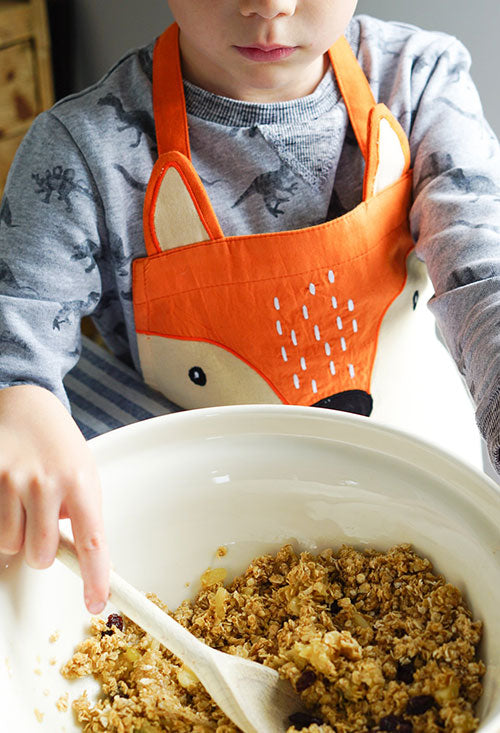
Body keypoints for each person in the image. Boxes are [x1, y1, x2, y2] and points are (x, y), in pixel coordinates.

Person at [1, 0, 499, 615]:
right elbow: (17, 322)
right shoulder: (83, 152)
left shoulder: (418, 82)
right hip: (210, 528)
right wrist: (18, 396)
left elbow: (482, 268)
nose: (270, 5)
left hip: (421, 489)